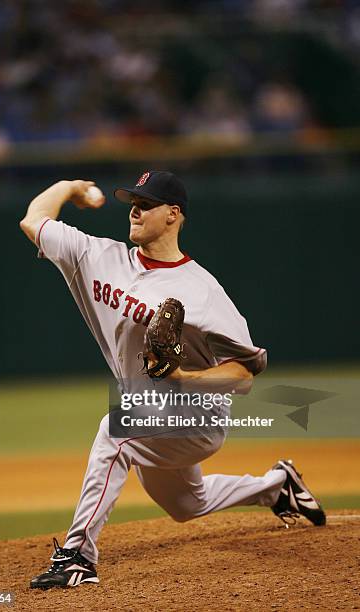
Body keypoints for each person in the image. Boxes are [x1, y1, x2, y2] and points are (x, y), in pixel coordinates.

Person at [20, 170, 325, 590]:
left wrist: (183, 377)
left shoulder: (203, 291)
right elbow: (33, 220)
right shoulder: (96, 256)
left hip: (198, 416)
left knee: (116, 430)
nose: (134, 209)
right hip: (149, 410)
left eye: (145, 203)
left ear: (173, 214)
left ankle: (78, 557)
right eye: (132, 201)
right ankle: (278, 486)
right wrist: (70, 188)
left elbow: (244, 375)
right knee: (187, 504)